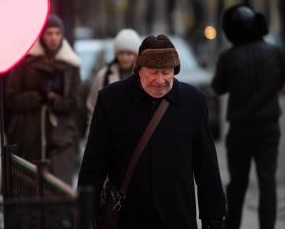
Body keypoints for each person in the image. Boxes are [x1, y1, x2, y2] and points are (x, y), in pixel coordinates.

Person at [78, 34, 227, 229]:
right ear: (139, 68)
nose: (160, 80)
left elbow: (206, 165)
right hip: (128, 218)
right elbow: (93, 164)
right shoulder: (111, 100)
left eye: (166, 72)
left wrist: (213, 217)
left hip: (177, 216)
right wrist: (84, 213)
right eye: (153, 72)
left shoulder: (193, 101)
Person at [211, 5, 285, 229]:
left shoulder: (228, 57)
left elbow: (218, 87)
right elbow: (280, 82)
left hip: (240, 129)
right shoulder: (274, 52)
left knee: (237, 184)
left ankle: (232, 225)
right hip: (269, 127)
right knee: (267, 181)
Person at [5, 14, 81, 184]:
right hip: (29, 135)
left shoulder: (71, 65)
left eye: (57, 33)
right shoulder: (24, 62)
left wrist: (53, 99)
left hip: (61, 138)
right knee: (30, 188)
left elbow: (74, 101)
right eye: (49, 33)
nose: (53, 38)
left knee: (60, 189)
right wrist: (37, 96)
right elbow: (11, 97)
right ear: (41, 35)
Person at [85, 28, 141, 134]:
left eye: (129, 53)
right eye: (121, 53)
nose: (125, 58)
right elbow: (93, 110)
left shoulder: (143, 77)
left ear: (136, 55)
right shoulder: (103, 76)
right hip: (109, 136)